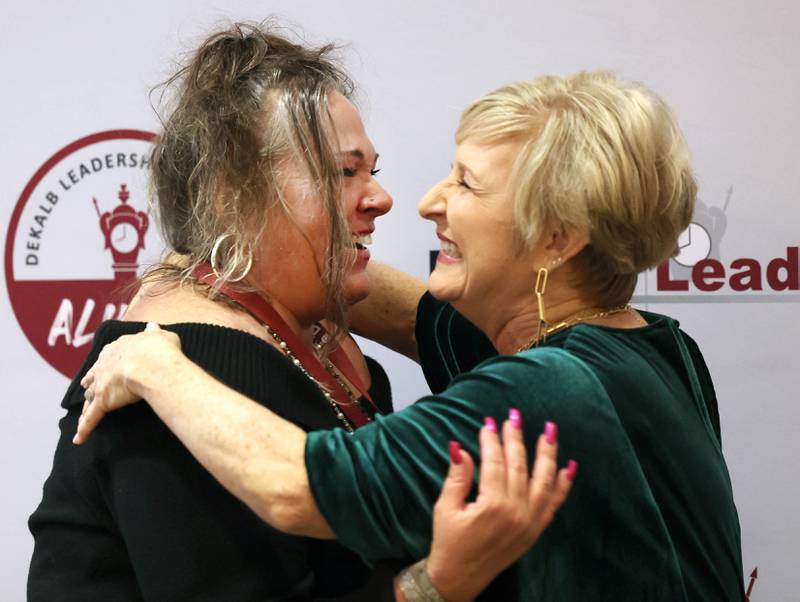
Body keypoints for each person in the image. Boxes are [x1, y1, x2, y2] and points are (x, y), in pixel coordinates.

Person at [78, 70, 745, 601]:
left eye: (466, 184)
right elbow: (405, 311)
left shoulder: (545, 391)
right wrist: (231, 243)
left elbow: (293, 485)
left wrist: (153, 364)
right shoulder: (656, 347)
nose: (425, 201)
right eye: (345, 172)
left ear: (554, 239)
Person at [29, 23, 572, 602]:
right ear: (230, 196)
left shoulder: (315, 334)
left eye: (373, 171)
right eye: (342, 172)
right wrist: (439, 584)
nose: (382, 199)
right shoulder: (180, 377)